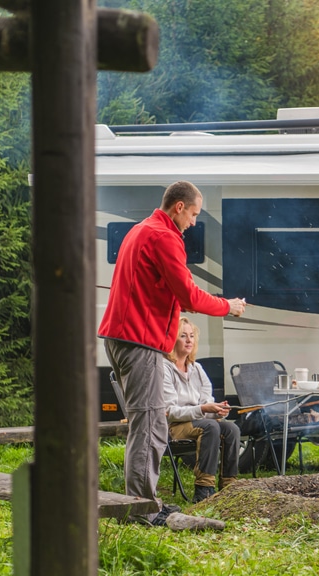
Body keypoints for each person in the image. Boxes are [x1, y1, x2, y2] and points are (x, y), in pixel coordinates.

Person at [98, 180, 246, 526]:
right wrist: (228, 306)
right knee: (150, 426)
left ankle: (143, 501)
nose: (194, 222)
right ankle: (141, 509)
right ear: (178, 207)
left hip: (120, 336)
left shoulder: (140, 230)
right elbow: (190, 296)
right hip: (139, 340)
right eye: (194, 214)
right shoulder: (164, 237)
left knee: (144, 424)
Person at [163, 317, 240, 503]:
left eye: (192, 336)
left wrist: (217, 411)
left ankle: (229, 485)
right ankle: (204, 489)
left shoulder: (197, 368)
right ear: (172, 339)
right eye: (183, 336)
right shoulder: (164, 367)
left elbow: (207, 401)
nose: (189, 340)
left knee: (232, 429)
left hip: (198, 421)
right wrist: (203, 409)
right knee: (210, 427)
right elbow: (170, 411)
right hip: (173, 426)